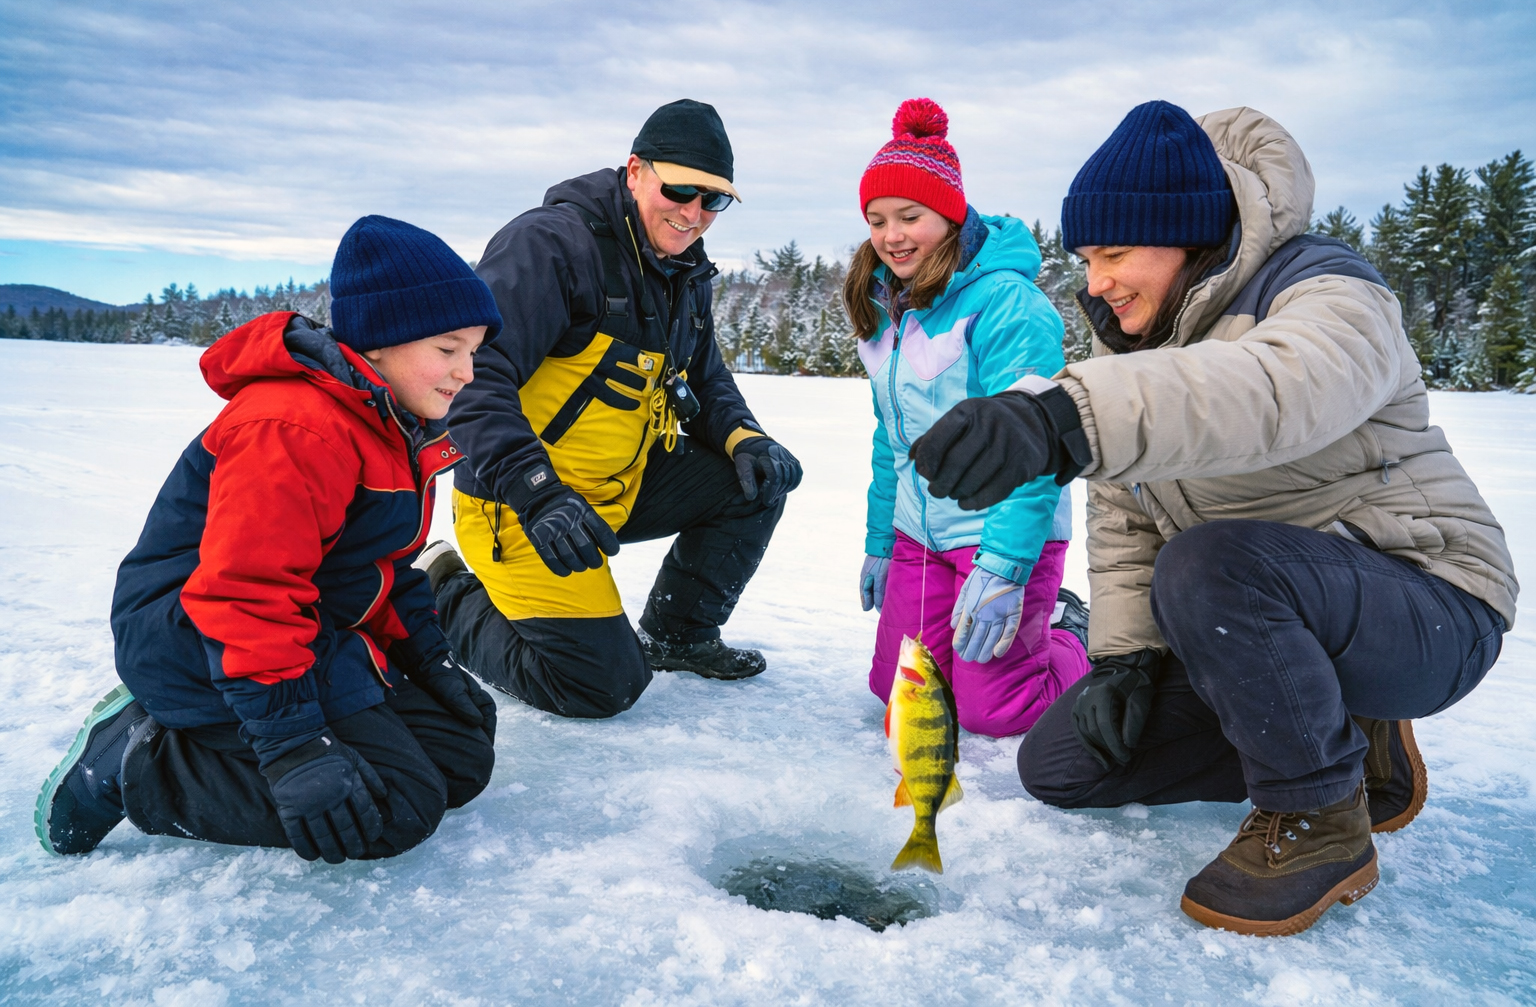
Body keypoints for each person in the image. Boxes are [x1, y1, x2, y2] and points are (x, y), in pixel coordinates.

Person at [908, 102, 1514, 936]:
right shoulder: (1134, 342)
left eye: (1115, 253)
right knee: (1064, 766)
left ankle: (1318, 818)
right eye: (1086, 258)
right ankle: (1348, 742)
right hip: (1273, 615)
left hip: (1430, 605)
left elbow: (1270, 389)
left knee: (1208, 562)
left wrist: (1064, 417)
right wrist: (1123, 659)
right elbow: (1125, 520)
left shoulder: (1327, 291)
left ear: (1190, 236)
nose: (1096, 281)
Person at [36, 216, 502, 863]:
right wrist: (293, 749)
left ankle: (245, 733)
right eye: (448, 350)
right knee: (397, 805)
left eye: (474, 351)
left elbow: (386, 571)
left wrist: (432, 662)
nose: (467, 373)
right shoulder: (295, 428)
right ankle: (141, 761)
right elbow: (244, 593)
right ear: (379, 342)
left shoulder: (391, 425)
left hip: (309, 629)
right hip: (197, 636)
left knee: (459, 757)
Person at [419, 98, 802, 720]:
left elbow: (703, 376)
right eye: (680, 188)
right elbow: (469, 376)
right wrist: (537, 491)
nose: (694, 213)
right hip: (522, 500)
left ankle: (680, 635)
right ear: (634, 171)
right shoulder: (551, 245)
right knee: (600, 685)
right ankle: (441, 590)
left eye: (714, 200)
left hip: (615, 485)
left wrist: (746, 438)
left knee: (751, 483)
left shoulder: (682, 269)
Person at [849, 98, 1089, 739]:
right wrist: (880, 540)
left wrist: (1008, 564)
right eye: (877, 220)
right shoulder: (887, 308)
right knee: (899, 696)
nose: (892, 235)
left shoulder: (1008, 304)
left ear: (950, 216)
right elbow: (889, 441)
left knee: (995, 713)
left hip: (1002, 533)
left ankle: (1072, 641)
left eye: (910, 216)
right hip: (917, 534)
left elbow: (1041, 443)